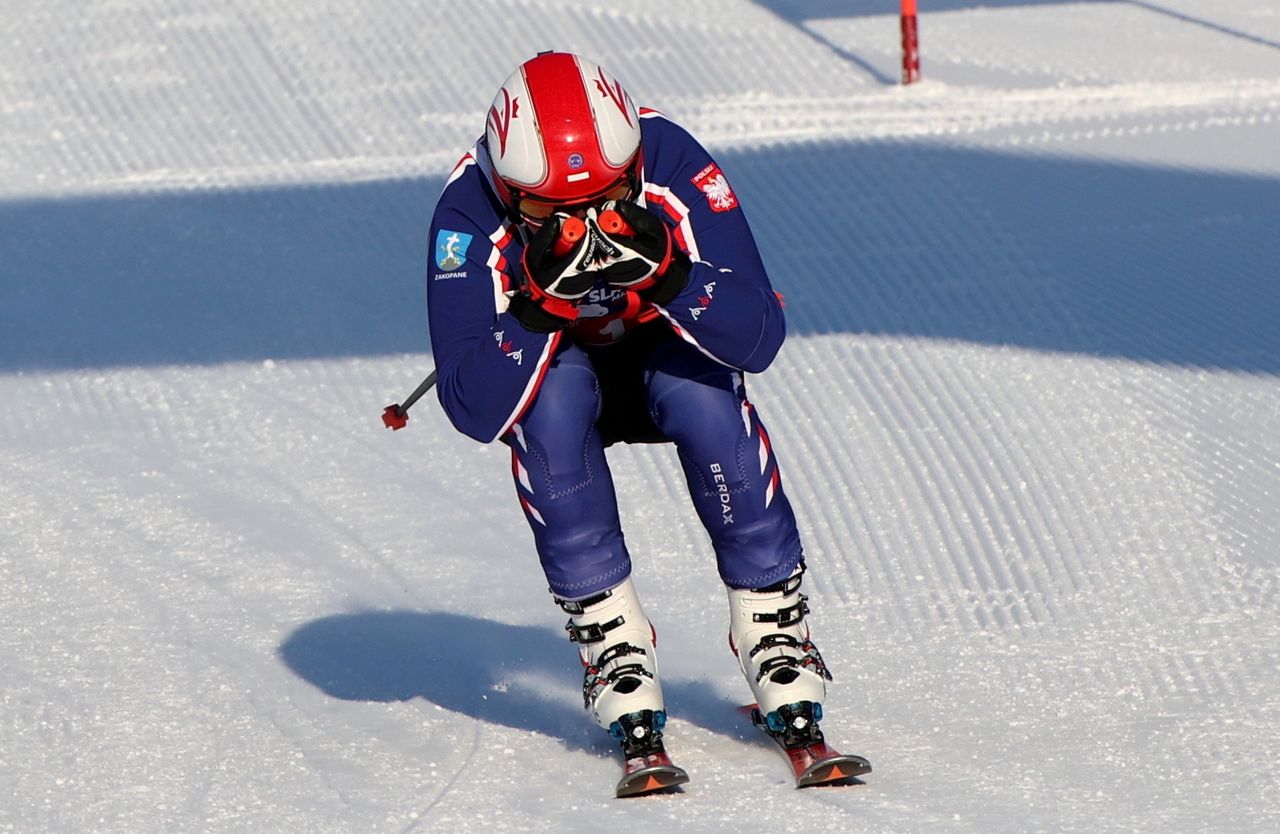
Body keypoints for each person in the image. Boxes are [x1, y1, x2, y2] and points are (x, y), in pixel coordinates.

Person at [425, 51, 834, 759]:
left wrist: (675, 277)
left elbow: (759, 335)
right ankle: (613, 638)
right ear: (508, 188)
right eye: (551, 210)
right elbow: (471, 407)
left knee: (706, 397)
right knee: (549, 412)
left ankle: (772, 625)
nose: (583, 225)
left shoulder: (672, 160)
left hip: (660, 362)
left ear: (634, 166)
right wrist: (534, 311)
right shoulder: (467, 211)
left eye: (609, 199)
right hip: (563, 371)